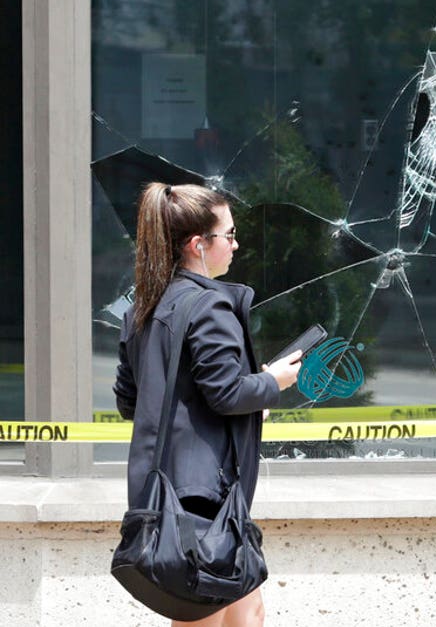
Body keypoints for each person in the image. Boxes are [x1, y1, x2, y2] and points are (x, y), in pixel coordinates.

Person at [114, 183, 303, 627]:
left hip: (170, 491)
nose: (236, 245)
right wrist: (272, 382)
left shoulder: (143, 305)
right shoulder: (210, 306)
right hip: (202, 497)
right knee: (201, 618)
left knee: (247, 609)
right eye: (229, 235)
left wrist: (252, 399)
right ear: (199, 245)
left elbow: (132, 401)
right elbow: (225, 392)